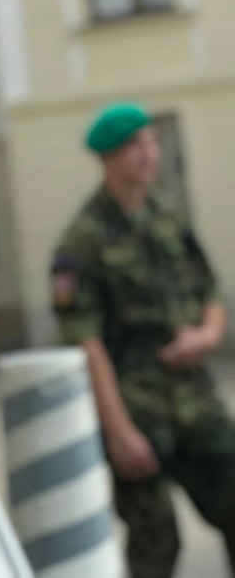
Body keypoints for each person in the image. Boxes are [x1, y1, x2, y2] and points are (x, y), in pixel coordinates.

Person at [51, 102, 235, 577]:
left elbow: (210, 289)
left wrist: (208, 335)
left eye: (152, 142)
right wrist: (118, 431)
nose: (149, 154)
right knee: (156, 543)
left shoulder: (168, 218)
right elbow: (83, 342)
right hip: (136, 411)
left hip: (194, 402)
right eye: (136, 145)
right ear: (109, 158)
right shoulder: (82, 240)